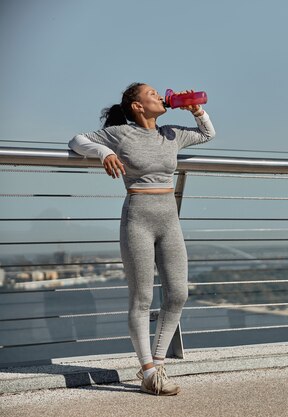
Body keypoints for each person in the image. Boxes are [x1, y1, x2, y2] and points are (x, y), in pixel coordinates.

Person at [69, 82, 216, 395]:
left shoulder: (172, 133)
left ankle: (159, 362)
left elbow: (207, 134)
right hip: (138, 218)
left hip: (169, 219)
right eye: (151, 94)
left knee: (178, 293)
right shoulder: (122, 133)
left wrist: (197, 110)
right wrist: (105, 152)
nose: (160, 97)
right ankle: (149, 372)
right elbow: (77, 140)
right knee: (141, 298)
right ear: (137, 106)